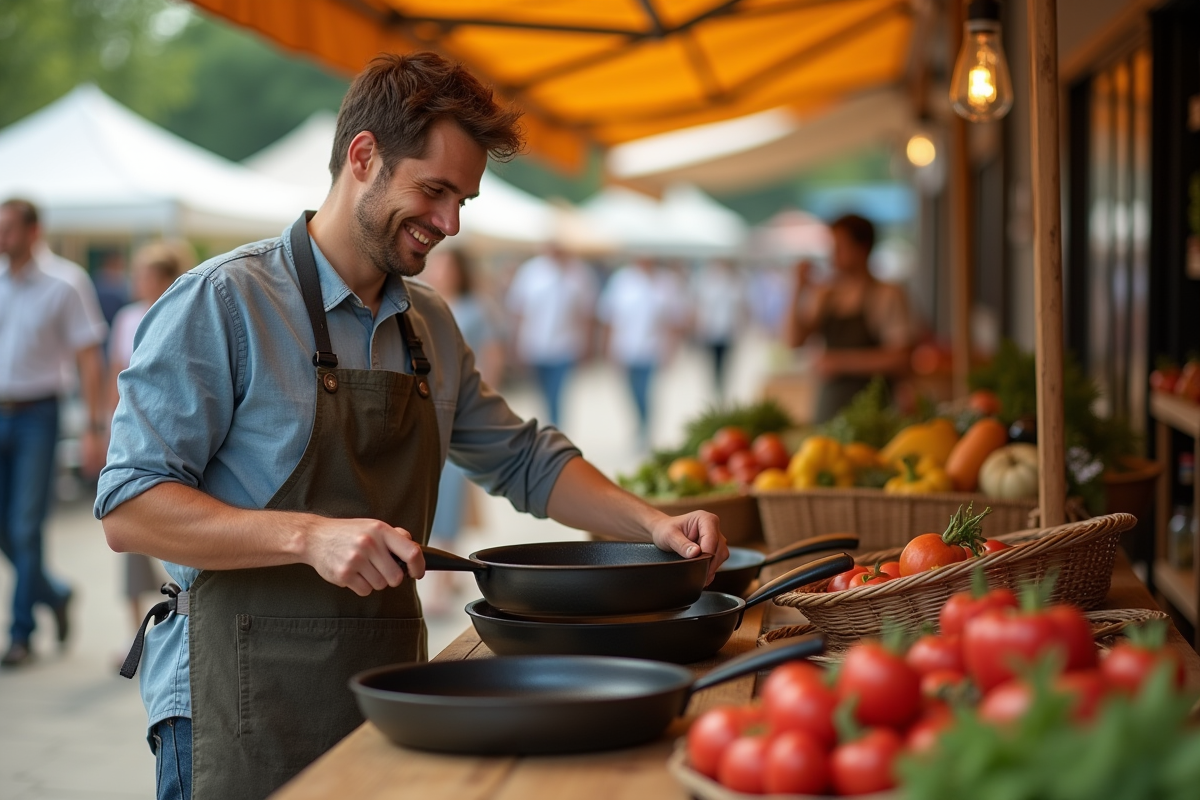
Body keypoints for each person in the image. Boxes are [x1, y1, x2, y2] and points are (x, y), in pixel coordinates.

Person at [96, 52, 727, 800]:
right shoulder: (224, 302)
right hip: (234, 705)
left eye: (464, 199)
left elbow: (525, 460)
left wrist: (651, 526)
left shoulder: (427, 322)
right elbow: (129, 506)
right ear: (363, 156)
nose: (451, 223)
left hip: (387, 690)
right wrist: (310, 535)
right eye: (434, 190)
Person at [0, 198, 107, 668]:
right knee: (7, 530)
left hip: (38, 415)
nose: (2, 237)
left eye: (8, 229)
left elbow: (89, 356)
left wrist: (93, 425)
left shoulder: (66, 283)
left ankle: (20, 633)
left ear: (33, 231)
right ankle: (57, 593)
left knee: (26, 527)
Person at [106, 240, 193, 644]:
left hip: (175, 440)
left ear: (163, 278)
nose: (136, 281)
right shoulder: (128, 318)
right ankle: (133, 632)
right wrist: (105, 430)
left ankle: (183, 625)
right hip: (132, 436)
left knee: (177, 542)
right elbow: (115, 375)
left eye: (144, 274)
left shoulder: (185, 313)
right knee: (130, 538)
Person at [418, 248, 504, 613]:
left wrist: (483, 402)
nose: (439, 272)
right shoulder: (421, 305)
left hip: (457, 409)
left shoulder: (473, 309)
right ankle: (444, 576)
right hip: (426, 410)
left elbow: (491, 355)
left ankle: (441, 581)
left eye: (445, 265)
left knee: (448, 495)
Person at [783, 214, 914, 422]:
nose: (832, 255)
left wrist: (839, 362)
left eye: (839, 247)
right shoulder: (826, 295)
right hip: (828, 410)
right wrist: (797, 289)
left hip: (874, 415)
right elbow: (793, 342)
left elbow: (900, 359)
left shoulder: (887, 295)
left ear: (862, 249)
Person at [597, 256, 688, 449]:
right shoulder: (622, 280)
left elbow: (674, 319)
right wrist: (607, 346)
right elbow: (609, 316)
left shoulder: (666, 282)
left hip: (653, 348)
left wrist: (671, 348)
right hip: (626, 347)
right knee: (631, 391)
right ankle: (640, 422)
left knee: (646, 391)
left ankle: (645, 428)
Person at [505, 242, 598, 428]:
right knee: (542, 392)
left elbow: (587, 313)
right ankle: (550, 425)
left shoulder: (579, 273)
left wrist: (587, 343)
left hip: (565, 345)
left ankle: (555, 428)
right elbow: (518, 311)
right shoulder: (530, 272)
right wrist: (515, 343)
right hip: (535, 345)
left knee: (557, 392)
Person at [691, 259, 745, 399]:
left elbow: (738, 308)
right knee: (714, 361)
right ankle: (716, 386)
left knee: (723, 361)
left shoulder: (732, 283)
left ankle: (720, 386)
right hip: (712, 330)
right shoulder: (708, 283)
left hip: (725, 330)